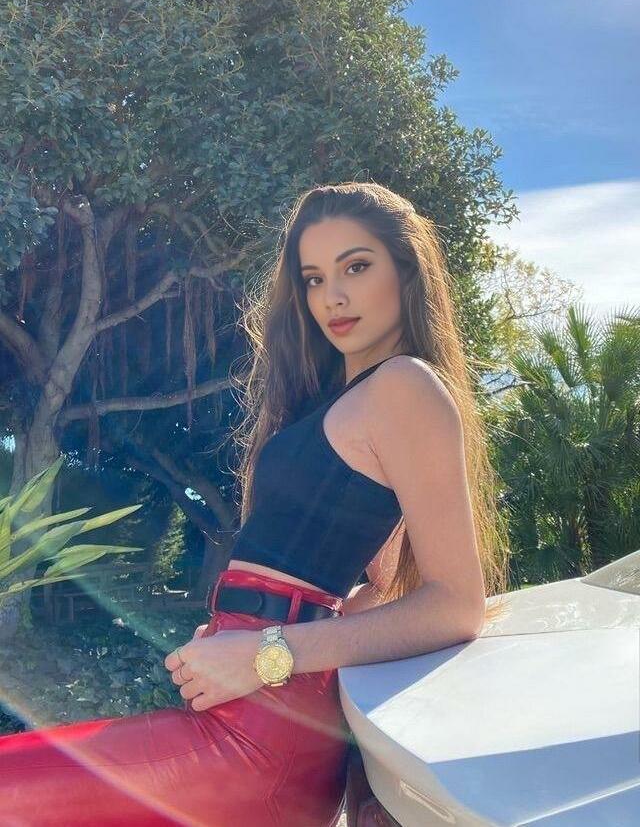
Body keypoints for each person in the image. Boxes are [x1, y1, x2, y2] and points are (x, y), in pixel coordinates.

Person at [0, 181, 509, 826]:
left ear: (406, 272)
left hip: (263, 736)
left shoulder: (405, 386)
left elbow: (454, 605)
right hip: (250, 709)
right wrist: (234, 632)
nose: (333, 296)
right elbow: (379, 584)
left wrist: (265, 651)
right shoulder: (342, 403)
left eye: (356, 267)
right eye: (314, 278)